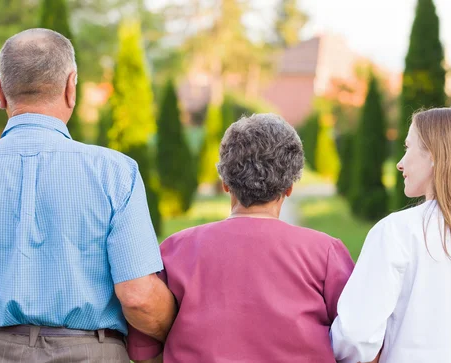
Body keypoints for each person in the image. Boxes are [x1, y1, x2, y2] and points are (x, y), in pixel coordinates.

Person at [0, 28, 176, 363]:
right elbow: (138, 296)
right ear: (71, 86)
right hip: (89, 352)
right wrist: (179, 329)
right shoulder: (116, 173)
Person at [127, 113, 355, 362]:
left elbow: (145, 346)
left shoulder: (175, 249)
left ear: (225, 183)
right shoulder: (325, 252)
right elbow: (358, 337)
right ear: (290, 187)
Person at [331, 107, 451, 363]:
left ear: (435, 155)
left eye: (408, 147)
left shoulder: (397, 232)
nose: (400, 163)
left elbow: (354, 336)